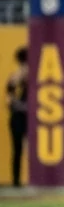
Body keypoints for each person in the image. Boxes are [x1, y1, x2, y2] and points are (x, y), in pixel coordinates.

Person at [6, 46, 26, 187]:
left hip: (24, 117)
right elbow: (9, 100)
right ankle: (16, 181)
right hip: (19, 117)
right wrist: (22, 106)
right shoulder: (16, 78)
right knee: (18, 149)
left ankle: (20, 180)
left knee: (23, 149)